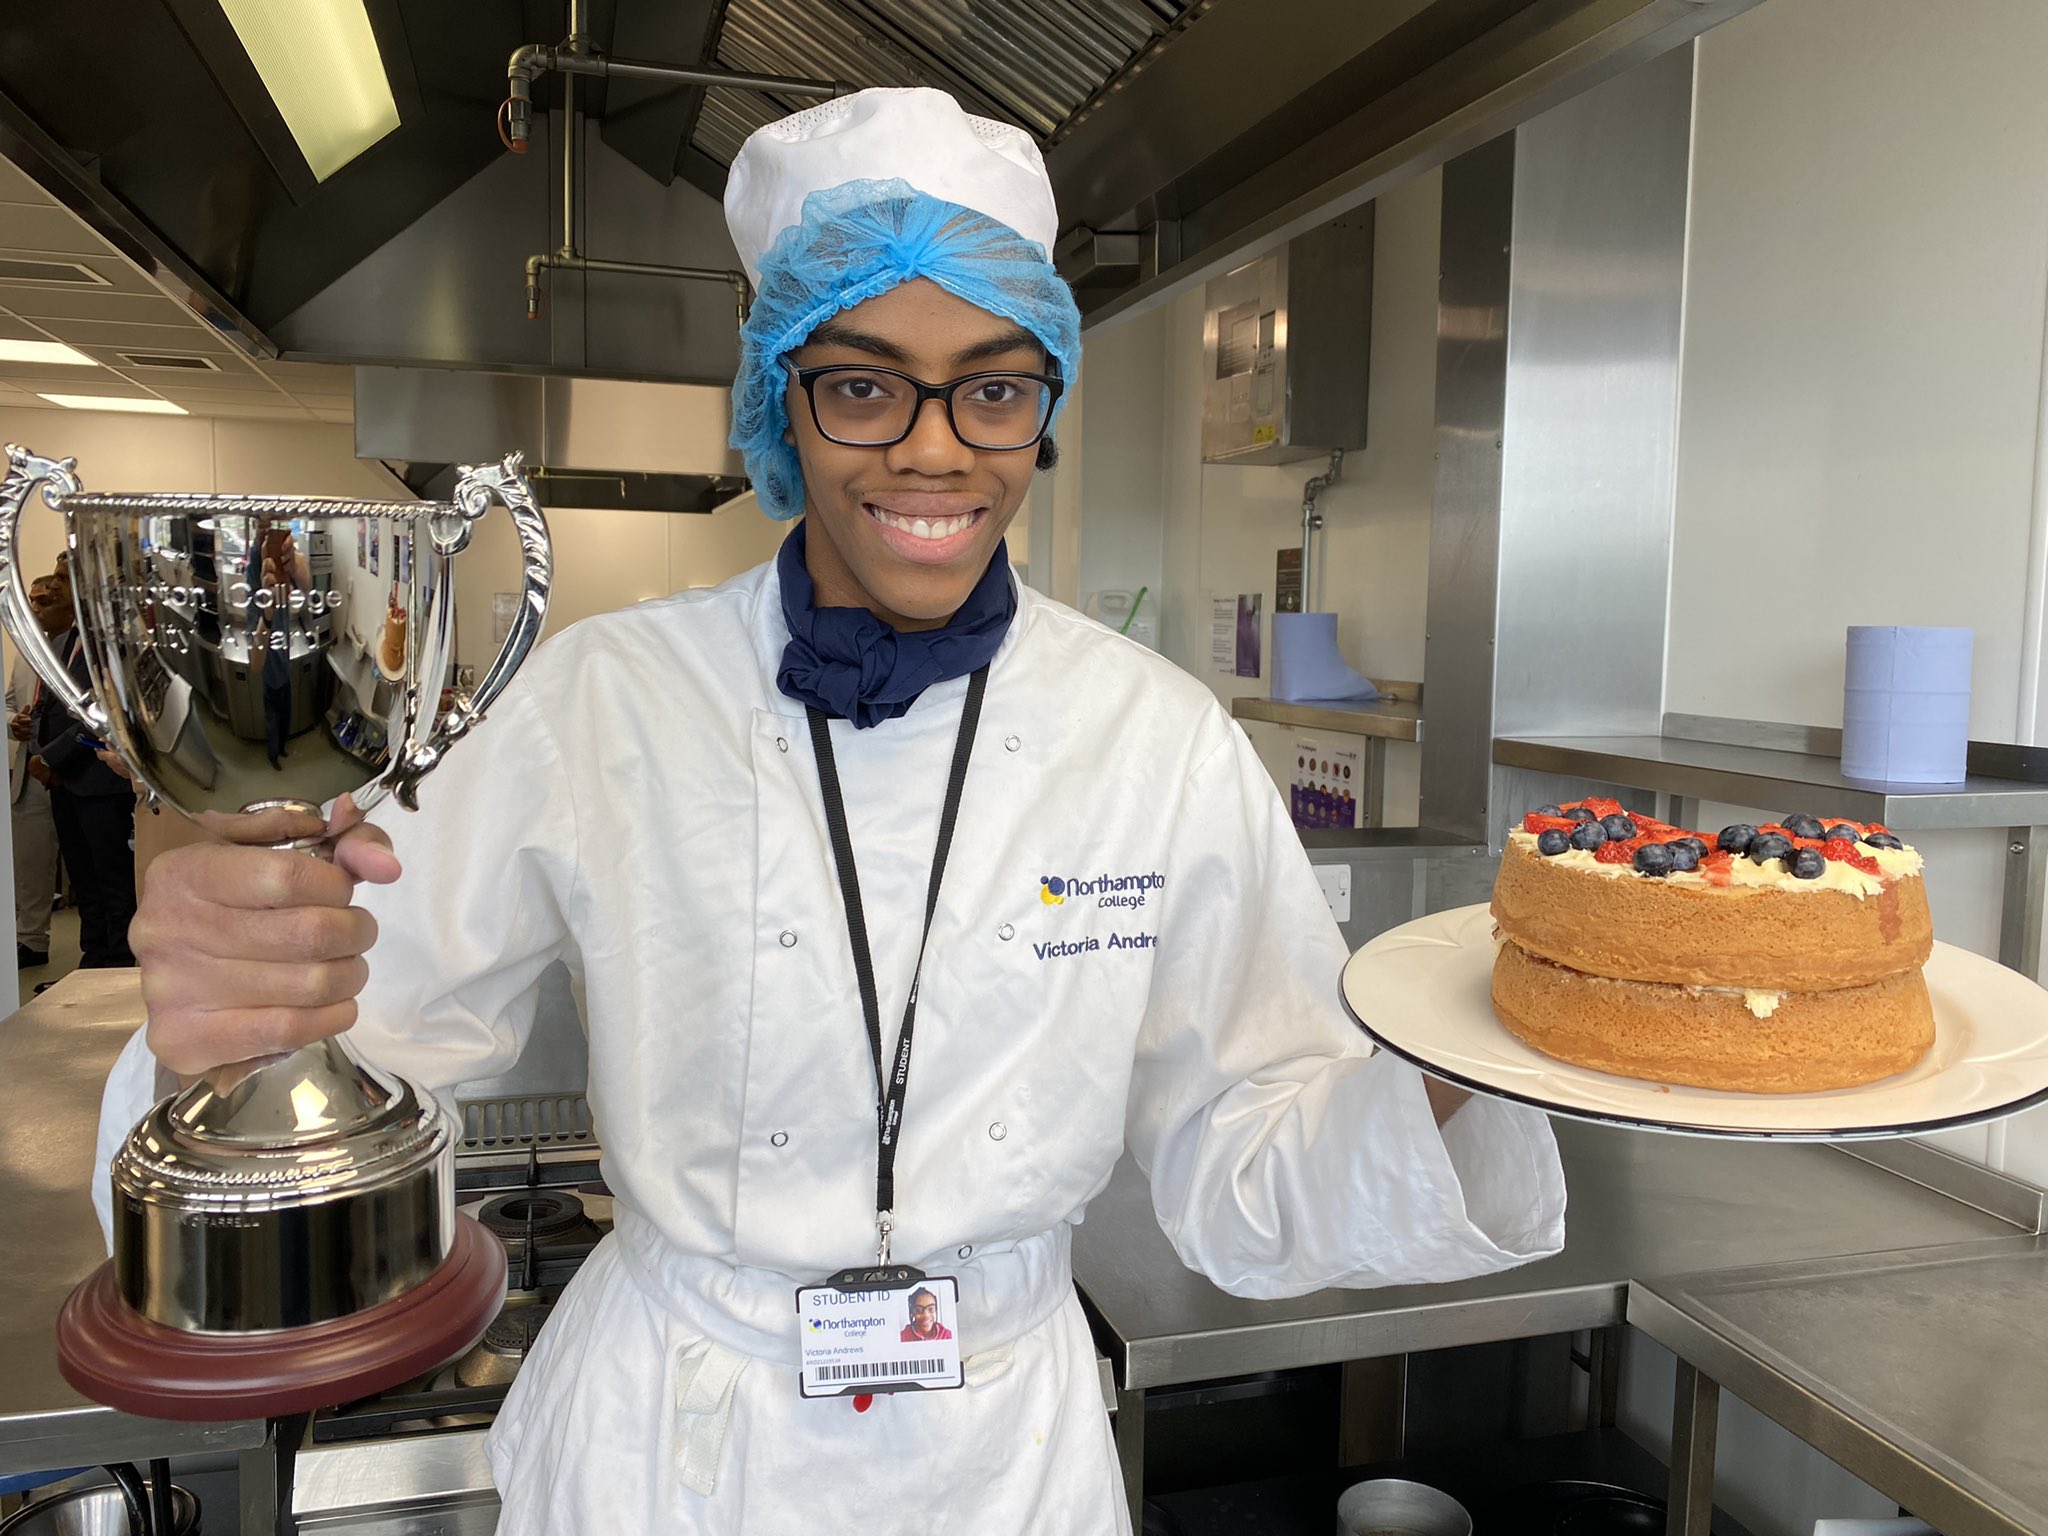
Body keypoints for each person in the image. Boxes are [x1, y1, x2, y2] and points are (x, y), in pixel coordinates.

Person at [105, 88, 1565, 1534]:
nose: (937, 452)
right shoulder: (597, 703)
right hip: (673, 1443)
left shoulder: (1154, 736)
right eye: (864, 384)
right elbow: (367, 1058)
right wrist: (246, 1003)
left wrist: (1481, 1048)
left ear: (1043, 403)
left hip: (1008, 1460)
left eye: (995, 386)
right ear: (777, 403)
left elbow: (1249, 1174)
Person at [30, 572, 135, 969]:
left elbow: (102, 709)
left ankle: (120, 964)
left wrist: (52, 757)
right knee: (83, 880)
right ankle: (93, 958)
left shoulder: (111, 639)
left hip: (101, 780)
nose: (55, 587)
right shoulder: (65, 641)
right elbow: (54, 702)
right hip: (67, 782)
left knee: (113, 880)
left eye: (64, 578)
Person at [8, 574, 66, 969]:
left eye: (44, 600)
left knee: (85, 863)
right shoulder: (23, 650)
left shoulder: (77, 648)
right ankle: (31, 940)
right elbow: (10, 701)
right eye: (33, 600)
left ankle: (104, 952)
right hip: (25, 772)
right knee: (29, 861)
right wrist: (13, 721)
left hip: (67, 769)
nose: (36, 607)